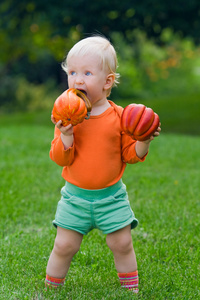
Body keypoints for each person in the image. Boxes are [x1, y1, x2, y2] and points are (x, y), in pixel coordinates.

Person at [45, 35, 161, 293]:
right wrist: (66, 135)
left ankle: (130, 288)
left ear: (108, 81)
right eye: (72, 72)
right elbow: (59, 158)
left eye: (87, 72)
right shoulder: (66, 113)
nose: (77, 79)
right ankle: (51, 287)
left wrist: (143, 140)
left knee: (122, 244)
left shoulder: (120, 117)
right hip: (75, 198)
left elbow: (130, 154)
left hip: (112, 198)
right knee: (64, 246)